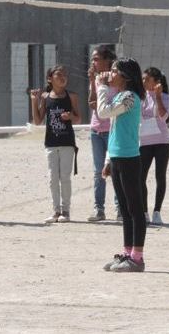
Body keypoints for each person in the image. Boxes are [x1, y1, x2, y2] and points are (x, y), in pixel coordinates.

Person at [97, 57, 147, 272]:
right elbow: (114, 130)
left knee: (135, 209)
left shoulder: (130, 98)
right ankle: (127, 253)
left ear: (126, 76)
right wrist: (108, 160)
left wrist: (100, 88)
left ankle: (137, 257)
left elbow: (103, 113)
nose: (110, 73)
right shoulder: (120, 95)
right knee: (125, 210)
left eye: (115, 70)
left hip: (129, 159)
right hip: (118, 157)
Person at [30, 65, 81, 223]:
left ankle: (66, 211)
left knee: (65, 177)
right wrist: (34, 101)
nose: (63, 77)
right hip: (51, 143)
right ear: (50, 79)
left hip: (67, 143)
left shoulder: (71, 96)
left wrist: (70, 117)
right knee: (53, 178)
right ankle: (56, 211)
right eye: (59, 74)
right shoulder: (45, 97)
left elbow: (78, 118)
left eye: (65, 74)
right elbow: (38, 121)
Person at [87, 46, 119, 222]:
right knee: (98, 171)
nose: (94, 62)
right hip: (96, 129)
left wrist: (106, 85)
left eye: (97, 58)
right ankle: (99, 209)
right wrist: (93, 81)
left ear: (108, 60)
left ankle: (120, 209)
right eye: (93, 59)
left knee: (115, 170)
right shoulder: (97, 79)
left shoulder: (116, 78)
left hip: (112, 129)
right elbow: (92, 103)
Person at [139, 67, 169, 226]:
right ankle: (144, 212)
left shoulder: (165, 97)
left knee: (160, 176)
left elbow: (164, 116)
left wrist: (157, 96)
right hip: (144, 141)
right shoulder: (140, 97)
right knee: (140, 177)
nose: (143, 81)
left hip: (162, 141)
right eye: (142, 79)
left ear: (156, 82)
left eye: (147, 79)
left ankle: (157, 211)